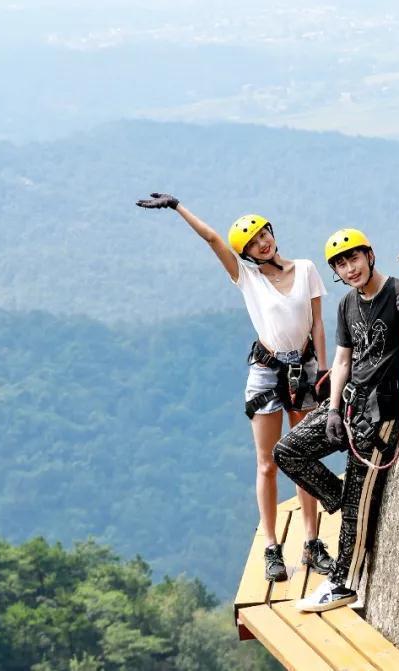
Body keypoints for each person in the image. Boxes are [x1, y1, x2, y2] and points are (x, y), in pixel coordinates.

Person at [135, 193, 335, 582]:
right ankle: (272, 548)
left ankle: (311, 543)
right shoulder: (248, 278)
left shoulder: (307, 269)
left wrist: (323, 371)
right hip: (266, 372)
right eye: (255, 242)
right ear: (247, 254)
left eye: (265, 234)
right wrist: (177, 207)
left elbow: (319, 324)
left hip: (305, 368)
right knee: (268, 462)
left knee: (304, 458)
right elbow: (213, 240)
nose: (264, 242)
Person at [273, 228, 399, 612]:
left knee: (355, 498)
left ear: (369, 255)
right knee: (287, 451)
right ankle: (347, 503)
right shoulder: (348, 304)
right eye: (341, 265)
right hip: (350, 404)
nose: (349, 269)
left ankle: (344, 584)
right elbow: (343, 361)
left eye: (353, 259)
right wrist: (332, 410)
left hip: (381, 414)